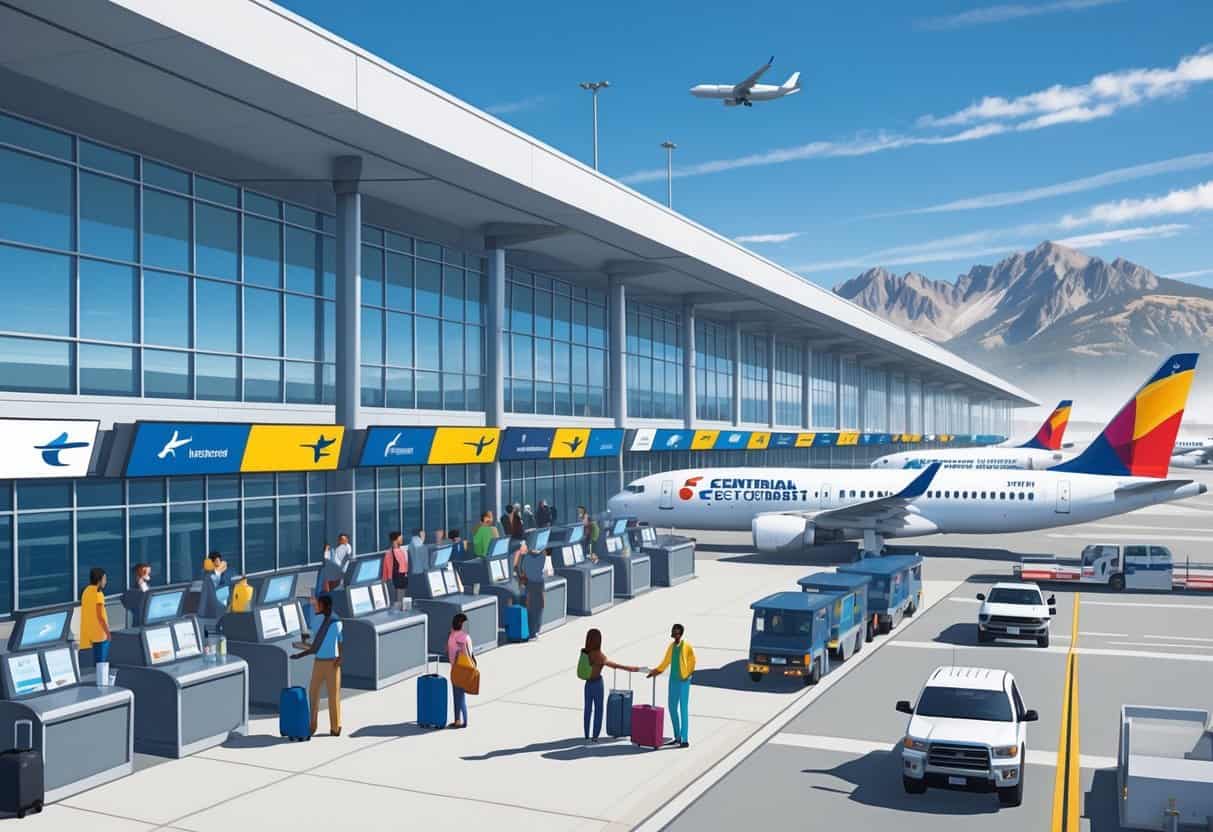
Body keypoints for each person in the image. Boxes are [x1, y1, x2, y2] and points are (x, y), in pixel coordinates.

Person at [292, 594, 343, 737]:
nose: (315, 607)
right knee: (313, 693)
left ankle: (336, 726)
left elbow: (340, 641)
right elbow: (316, 645)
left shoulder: (335, 622)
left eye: (317, 605)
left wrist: (341, 657)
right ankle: (311, 726)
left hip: (332, 662)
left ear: (325, 606)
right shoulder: (319, 620)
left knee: (334, 696)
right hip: (319, 661)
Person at [580, 629, 640, 742]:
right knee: (598, 710)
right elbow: (613, 665)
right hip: (597, 684)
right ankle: (595, 736)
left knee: (587, 709)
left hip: (588, 684)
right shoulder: (599, 655)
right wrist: (628, 668)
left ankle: (587, 734)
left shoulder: (585, 653)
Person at [647, 623, 696, 748]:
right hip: (673, 681)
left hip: (684, 682)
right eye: (672, 630)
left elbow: (693, 661)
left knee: (683, 709)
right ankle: (677, 737)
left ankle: (684, 739)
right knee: (672, 707)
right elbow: (665, 662)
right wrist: (655, 672)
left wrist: (688, 675)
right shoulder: (671, 647)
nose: (672, 632)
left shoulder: (687, 647)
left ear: (680, 633)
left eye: (675, 631)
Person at [79, 568, 111, 687]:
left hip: (87, 631)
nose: (105, 581)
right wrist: (108, 632)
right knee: (101, 663)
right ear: (99, 580)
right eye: (104, 579)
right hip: (100, 633)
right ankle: (102, 685)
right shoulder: (99, 594)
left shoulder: (86, 591)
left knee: (91, 663)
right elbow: (100, 616)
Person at [513, 541, 546, 640]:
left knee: (531, 607)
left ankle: (532, 633)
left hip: (531, 586)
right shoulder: (541, 556)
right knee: (538, 606)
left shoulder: (527, 558)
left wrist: (519, 554)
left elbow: (517, 567)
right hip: (537, 585)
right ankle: (535, 631)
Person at [447, 613, 474, 729]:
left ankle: (458, 721)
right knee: (461, 695)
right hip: (467, 668)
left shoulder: (452, 637)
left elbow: (451, 655)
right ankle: (464, 720)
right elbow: (471, 653)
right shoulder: (466, 637)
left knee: (457, 696)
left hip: (456, 669)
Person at [381, 531, 409, 599]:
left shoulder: (404, 551)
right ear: (395, 540)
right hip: (394, 580)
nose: (402, 540)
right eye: (400, 538)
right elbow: (385, 570)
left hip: (402, 579)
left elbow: (406, 566)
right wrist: (384, 582)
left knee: (402, 598)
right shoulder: (388, 554)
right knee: (397, 600)